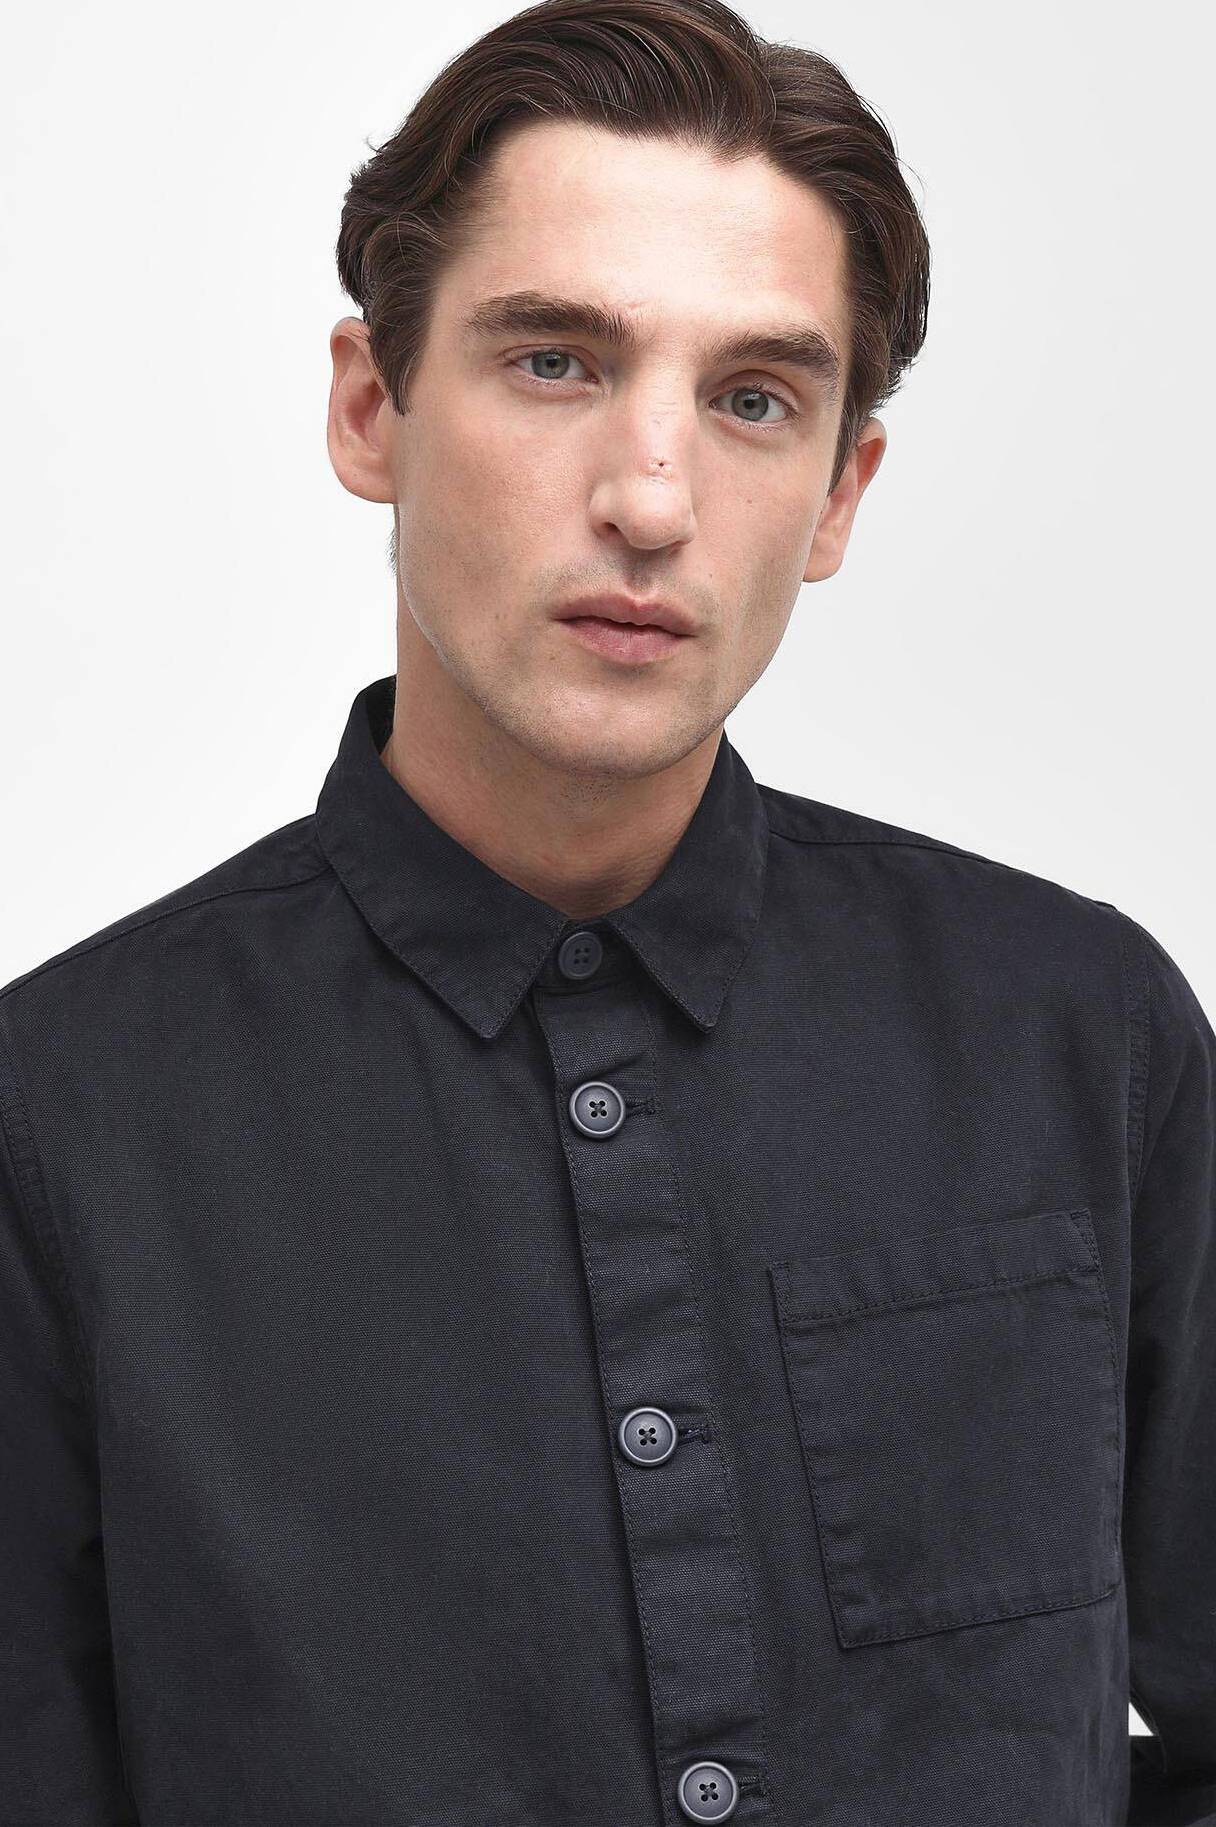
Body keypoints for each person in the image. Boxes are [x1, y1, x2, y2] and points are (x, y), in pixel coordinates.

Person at [1, 0, 1212, 1821]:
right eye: (557, 361)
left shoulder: (1082, 1035)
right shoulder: (58, 1120)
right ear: (371, 409)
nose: (652, 497)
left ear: (839, 492)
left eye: (753, 399)